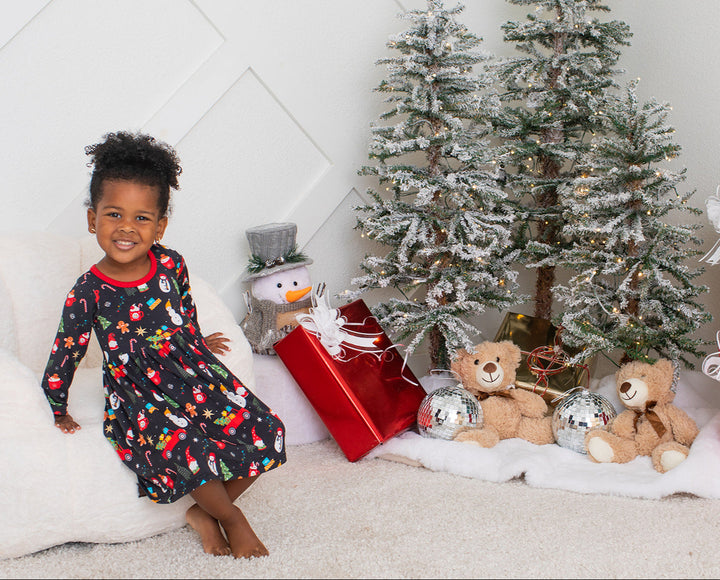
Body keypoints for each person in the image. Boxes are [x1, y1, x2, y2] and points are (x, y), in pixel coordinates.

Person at [41, 131, 285, 559]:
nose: (126, 228)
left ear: (160, 226)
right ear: (91, 219)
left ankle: (204, 514)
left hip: (188, 370)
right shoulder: (88, 290)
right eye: (114, 214)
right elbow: (67, 349)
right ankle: (232, 520)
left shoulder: (171, 263)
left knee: (268, 432)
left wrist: (196, 341)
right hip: (138, 392)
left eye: (141, 218)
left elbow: (181, 311)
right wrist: (57, 408)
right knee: (188, 448)